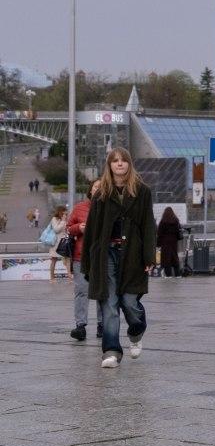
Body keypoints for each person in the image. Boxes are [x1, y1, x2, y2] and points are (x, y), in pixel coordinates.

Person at [82, 147, 156, 369]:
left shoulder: (142, 191)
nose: (120, 164)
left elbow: (148, 225)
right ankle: (111, 351)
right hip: (106, 255)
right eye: (115, 161)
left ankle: (136, 331)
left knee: (130, 303)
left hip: (132, 254)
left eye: (124, 160)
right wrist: (87, 263)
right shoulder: (101, 193)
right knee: (110, 304)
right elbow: (92, 231)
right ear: (110, 165)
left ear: (129, 164)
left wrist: (149, 257)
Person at [67, 180, 103, 341]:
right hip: (80, 256)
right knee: (81, 291)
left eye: (103, 187)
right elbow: (69, 228)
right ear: (90, 190)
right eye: (96, 186)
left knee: (103, 292)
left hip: (103, 256)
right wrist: (78, 228)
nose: (99, 189)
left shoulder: (110, 207)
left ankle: (103, 325)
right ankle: (80, 326)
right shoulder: (79, 207)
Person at [157, 207, 183, 278]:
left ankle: (168, 275)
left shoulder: (163, 221)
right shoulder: (176, 221)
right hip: (174, 242)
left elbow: (159, 233)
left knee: (166, 259)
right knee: (174, 257)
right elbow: (178, 231)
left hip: (165, 242)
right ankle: (178, 274)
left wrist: (158, 244)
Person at [48, 205, 68, 280]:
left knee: (67, 259)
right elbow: (56, 230)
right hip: (56, 243)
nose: (66, 214)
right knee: (54, 260)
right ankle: (52, 278)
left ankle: (69, 275)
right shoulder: (54, 219)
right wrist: (63, 221)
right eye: (64, 212)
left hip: (64, 242)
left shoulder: (65, 219)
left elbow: (66, 229)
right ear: (60, 212)